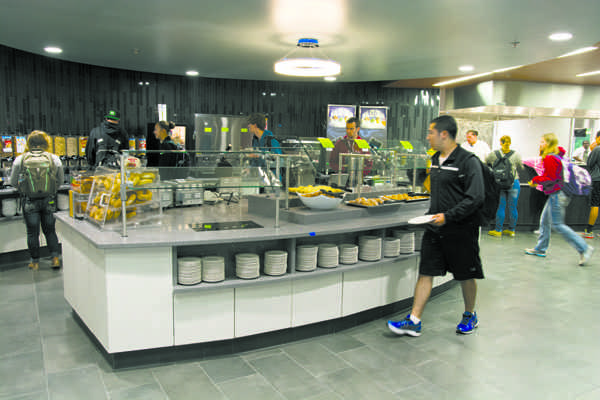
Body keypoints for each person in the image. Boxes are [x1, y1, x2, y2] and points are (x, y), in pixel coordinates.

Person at [387, 115, 485, 337]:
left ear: (444, 134)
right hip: (434, 226)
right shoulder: (434, 159)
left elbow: (476, 197)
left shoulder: (468, 161)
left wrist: (449, 216)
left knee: (465, 274)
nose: (428, 136)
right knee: (426, 271)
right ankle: (414, 320)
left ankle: (470, 314)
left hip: (461, 229)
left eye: (431, 132)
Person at [525, 133, 593, 265]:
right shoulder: (559, 156)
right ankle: (540, 249)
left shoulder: (550, 158)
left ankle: (584, 248)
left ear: (549, 144)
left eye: (543, 142)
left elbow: (550, 178)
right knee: (545, 220)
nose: (540, 144)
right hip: (561, 192)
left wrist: (535, 180)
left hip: (557, 193)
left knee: (558, 224)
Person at [9, 131, 64, 271]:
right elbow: (61, 181)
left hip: (30, 201)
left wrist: (24, 188)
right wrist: (51, 190)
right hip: (49, 201)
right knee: (50, 231)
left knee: (32, 233)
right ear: (46, 143)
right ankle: (55, 258)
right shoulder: (54, 159)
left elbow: (13, 182)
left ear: (28, 143)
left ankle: (35, 262)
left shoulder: (20, 159)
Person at [485, 135, 523, 237]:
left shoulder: (494, 154)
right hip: (513, 182)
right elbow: (521, 166)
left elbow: (487, 161)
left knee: (501, 206)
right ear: (510, 143)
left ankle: (498, 230)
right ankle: (512, 230)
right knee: (513, 207)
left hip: (499, 183)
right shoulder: (516, 154)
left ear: (500, 142)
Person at [583, 131, 600, 238]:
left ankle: (589, 230)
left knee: (595, 204)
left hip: (597, 179)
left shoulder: (598, 149)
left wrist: (592, 150)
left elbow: (589, 164)